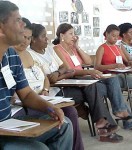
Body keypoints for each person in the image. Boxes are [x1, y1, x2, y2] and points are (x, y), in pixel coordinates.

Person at [28, 23, 124, 143]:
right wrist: (63, 74)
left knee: (95, 86)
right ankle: (103, 124)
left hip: (73, 81)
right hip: (60, 88)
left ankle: (102, 123)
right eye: (43, 36)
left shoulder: (48, 51)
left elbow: (65, 67)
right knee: (94, 90)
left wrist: (59, 71)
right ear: (33, 39)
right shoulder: (45, 51)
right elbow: (54, 77)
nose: (47, 39)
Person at [0, 1, 73, 150]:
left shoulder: (12, 55)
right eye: (18, 20)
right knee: (38, 148)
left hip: (9, 124)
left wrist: (49, 108)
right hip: (4, 130)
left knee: (64, 125)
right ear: (1, 28)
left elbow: (26, 94)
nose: (23, 25)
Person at [47, 23, 132, 132]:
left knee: (112, 79)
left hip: (86, 79)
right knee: (107, 89)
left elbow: (88, 61)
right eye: (71, 34)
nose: (74, 37)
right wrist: (91, 72)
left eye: (74, 34)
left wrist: (77, 46)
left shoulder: (73, 49)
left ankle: (118, 112)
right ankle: (119, 119)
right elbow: (68, 69)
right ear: (62, 36)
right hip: (76, 80)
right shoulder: (57, 49)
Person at [13, 17, 84, 150]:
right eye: (22, 36)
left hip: (42, 95)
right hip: (22, 106)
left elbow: (45, 77)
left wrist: (45, 91)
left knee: (68, 116)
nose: (24, 41)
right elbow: (20, 95)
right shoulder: (15, 56)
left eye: (27, 38)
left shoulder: (22, 55)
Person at [95, 24, 132, 126]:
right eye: (113, 36)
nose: (115, 38)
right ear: (106, 34)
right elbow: (97, 67)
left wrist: (130, 63)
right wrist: (114, 65)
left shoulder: (118, 47)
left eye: (117, 36)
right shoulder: (102, 48)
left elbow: (127, 60)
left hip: (122, 74)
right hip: (110, 77)